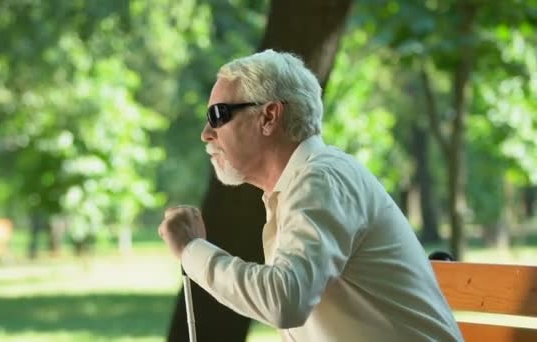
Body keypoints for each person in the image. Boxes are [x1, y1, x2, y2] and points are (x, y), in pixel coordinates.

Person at [158, 50, 463, 341]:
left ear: (269, 117)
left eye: (218, 114)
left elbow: (285, 300)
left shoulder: (321, 179)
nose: (206, 133)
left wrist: (190, 248)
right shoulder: (298, 186)